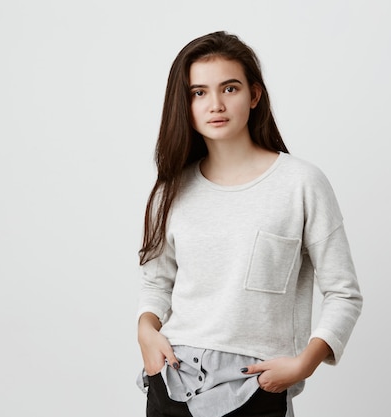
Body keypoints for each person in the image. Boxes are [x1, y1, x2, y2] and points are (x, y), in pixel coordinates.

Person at [135, 31, 362, 417]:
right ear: (184, 103)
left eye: (230, 88)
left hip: (256, 383)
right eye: (199, 92)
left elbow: (344, 293)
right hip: (173, 379)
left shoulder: (301, 183)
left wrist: (305, 362)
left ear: (254, 95)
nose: (216, 104)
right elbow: (157, 283)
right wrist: (145, 330)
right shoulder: (169, 191)